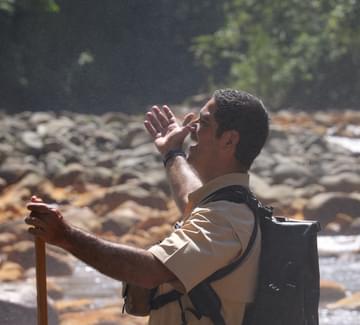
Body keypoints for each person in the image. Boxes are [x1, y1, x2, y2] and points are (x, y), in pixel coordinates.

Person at [25, 89, 269, 325]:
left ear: (229, 140)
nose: (192, 129)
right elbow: (190, 199)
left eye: (204, 123)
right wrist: (172, 153)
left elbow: (150, 271)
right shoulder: (229, 204)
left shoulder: (226, 220)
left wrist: (65, 236)